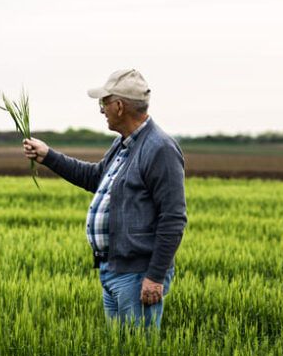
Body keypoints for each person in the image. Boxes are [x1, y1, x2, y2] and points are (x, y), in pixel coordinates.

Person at [23, 68, 187, 328]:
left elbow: (173, 218)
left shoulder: (160, 149)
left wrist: (154, 277)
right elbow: (94, 177)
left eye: (104, 103)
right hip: (112, 270)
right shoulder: (122, 144)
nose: (101, 110)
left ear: (119, 106)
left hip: (137, 275)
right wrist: (47, 155)